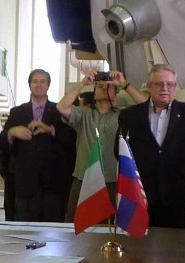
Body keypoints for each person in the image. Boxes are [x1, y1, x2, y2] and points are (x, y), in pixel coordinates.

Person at [116, 64, 185, 230]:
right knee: (138, 248)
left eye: (170, 84)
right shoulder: (130, 115)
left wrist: (182, 176)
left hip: (175, 195)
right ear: (149, 86)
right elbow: (120, 150)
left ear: (175, 87)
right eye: (159, 84)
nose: (165, 88)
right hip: (138, 194)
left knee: (173, 249)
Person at [57, 70, 146, 218]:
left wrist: (124, 84)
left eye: (109, 86)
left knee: (109, 229)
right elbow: (62, 107)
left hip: (113, 181)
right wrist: (83, 83)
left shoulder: (124, 116)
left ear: (116, 97)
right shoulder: (83, 114)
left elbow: (147, 108)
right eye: (100, 86)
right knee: (75, 225)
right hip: (83, 180)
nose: (104, 88)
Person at [0, 68, 75, 222]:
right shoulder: (17, 112)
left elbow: (71, 138)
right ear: (29, 85)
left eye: (43, 81)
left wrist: (50, 130)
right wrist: (12, 132)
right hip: (25, 183)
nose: (39, 84)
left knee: (53, 232)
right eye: (35, 81)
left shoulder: (59, 110)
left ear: (48, 85)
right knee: (25, 232)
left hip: (54, 183)